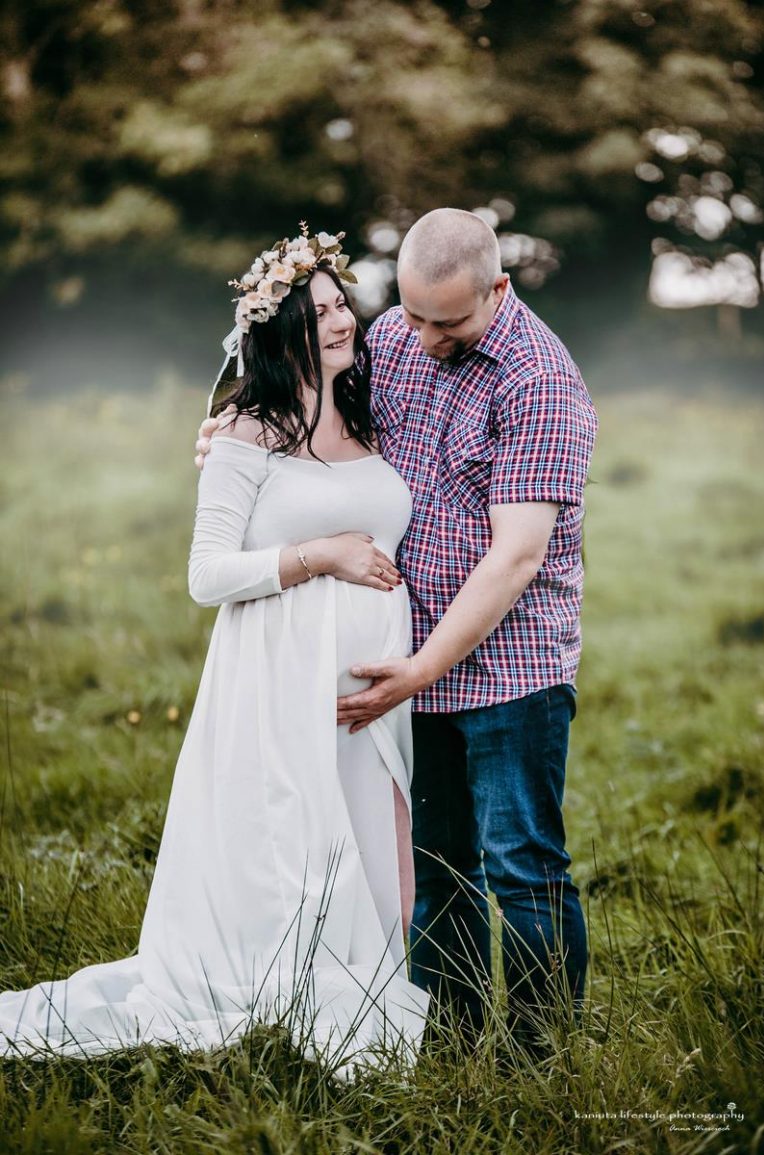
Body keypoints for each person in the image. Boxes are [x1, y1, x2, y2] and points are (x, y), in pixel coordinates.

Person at [0, 225, 429, 1075]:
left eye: (341, 304)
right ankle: (290, 990)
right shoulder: (245, 431)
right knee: (297, 843)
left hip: (376, 682)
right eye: (318, 311)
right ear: (281, 330)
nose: (340, 320)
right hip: (280, 674)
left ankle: (377, 985)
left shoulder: (368, 413)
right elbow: (206, 575)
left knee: (382, 837)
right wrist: (321, 555)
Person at [198, 207, 598, 1052]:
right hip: (409, 663)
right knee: (440, 866)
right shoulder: (396, 340)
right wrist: (227, 437)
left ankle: (542, 1056)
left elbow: (516, 557)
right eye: (411, 315)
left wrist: (419, 669)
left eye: (446, 322)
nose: (422, 338)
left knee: (523, 864)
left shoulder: (540, 381)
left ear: (498, 288)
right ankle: (447, 1039)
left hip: (509, 668)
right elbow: (313, 421)